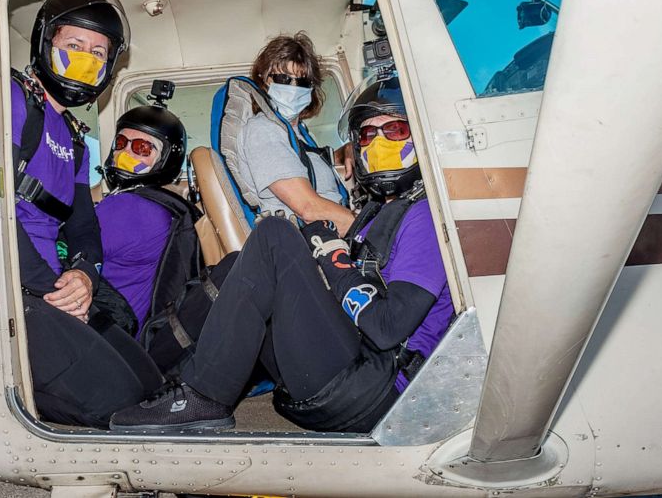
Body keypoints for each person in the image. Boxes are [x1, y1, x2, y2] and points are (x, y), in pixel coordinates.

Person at [109, 73, 454, 433]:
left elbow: (386, 329)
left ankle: (203, 396)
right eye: (367, 134)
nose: (378, 143)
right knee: (235, 268)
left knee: (274, 234)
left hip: (378, 391)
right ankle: (161, 379)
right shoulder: (378, 214)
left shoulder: (425, 215)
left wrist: (330, 254)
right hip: (354, 367)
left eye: (396, 130)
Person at [12, 0, 163, 428]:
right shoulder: (11, 100)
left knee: (151, 386)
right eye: (74, 46)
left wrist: (82, 275)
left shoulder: (75, 138)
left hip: (52, 287)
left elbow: (84, 229)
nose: (87, 59)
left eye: (99, 53)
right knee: (121, 404)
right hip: (15, 290)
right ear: (45, 43)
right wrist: (52, 290)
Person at [237, 32, 354, 234]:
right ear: (263, 80)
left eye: (302, 82)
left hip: (327, 232)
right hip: (309, 240)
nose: (293, 88)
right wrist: (363, 227)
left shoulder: (298, 133)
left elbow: (304, 165)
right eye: (283, 78)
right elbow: (308, 208)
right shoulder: (264, 130)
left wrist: (347, 150)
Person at [95, 94, 193, 335]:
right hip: (132, 337)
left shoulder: (128, 207)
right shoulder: (165, 206)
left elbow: (63, 248)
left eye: (142, 147)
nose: (125, 153)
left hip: (106, 334)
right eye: (120, 143)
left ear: (166, 159)